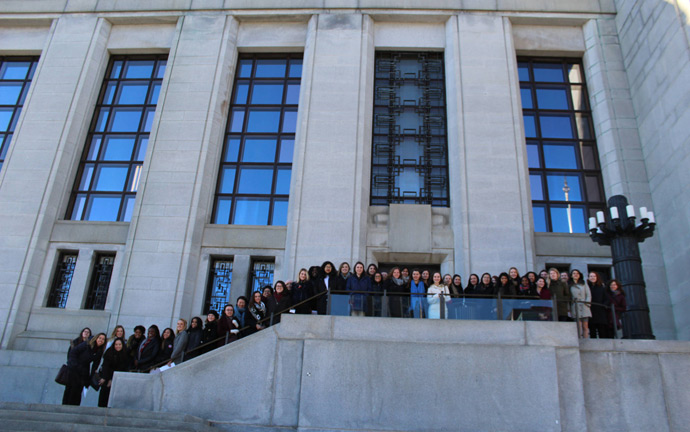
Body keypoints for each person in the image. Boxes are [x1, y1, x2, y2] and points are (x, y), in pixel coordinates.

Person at [62, 332, 106, 406]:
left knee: (78, 390)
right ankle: (65, 406)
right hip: (74, 368)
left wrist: (90, 378)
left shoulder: (99, 351)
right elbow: (74, 352)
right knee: (70, 389)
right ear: (96, 338)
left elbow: (95, 366)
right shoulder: (87, 344)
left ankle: (74, 407)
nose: (101, 340)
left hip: (83, 372)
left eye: (103, 339)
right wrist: (74, 364)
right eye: (100, 338)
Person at [97, 337, 128, 408]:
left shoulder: (125, 354)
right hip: (106, 377)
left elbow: (122, 368)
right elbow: (105, 366)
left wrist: (112, 379)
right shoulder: (109, 352)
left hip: (117, 380)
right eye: (116, 344)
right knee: (103, 397)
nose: (118, 346)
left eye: (120, 344)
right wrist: (105, 378)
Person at [588, 271, 610, 339]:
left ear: (597, 277)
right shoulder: (587, 287)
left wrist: (604, 305)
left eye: (594, 276)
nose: (592, 278)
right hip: (591, 310)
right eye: (591, 276)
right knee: (592, 329)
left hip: (600, 310)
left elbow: (607, 298)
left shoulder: (602, 288)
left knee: (602, 329)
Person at [570, 269, 591, 338]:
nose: (575, 274)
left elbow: (588, 294)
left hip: (584, 306)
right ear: (571, 275)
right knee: (578, 326)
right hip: (575, 306)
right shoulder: (569, 284)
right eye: (574, 273)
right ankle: (579, 340)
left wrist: (587, 304)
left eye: (577, 273)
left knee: (585, 326)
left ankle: (586, 340)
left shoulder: (584, 283)